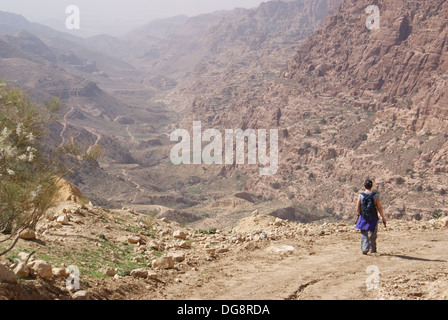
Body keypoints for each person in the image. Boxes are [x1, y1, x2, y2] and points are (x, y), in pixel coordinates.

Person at [355, 179, 387, 255]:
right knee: (373, 233)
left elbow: (357, 207)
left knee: (364, 233)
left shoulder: (361, 195)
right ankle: (373, 249)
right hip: (373, 217)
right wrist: (383, 217)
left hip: (363, 217)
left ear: (364, 186)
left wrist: (358, 215)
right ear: (371, 186)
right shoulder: (375, 195)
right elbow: (379, 207)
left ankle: (365, 248)